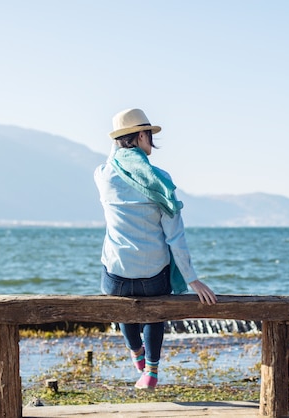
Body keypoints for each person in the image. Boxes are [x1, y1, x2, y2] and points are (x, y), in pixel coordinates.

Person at [94, 108, 217, 391]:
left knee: (125, 305)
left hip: (116, 278)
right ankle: (151, 371)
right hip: (153, 276)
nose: (152, 141)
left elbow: (111, 160)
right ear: (140, 135)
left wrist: (119, 145)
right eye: (148, 135)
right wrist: (192, 278)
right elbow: (175, 237)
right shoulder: (160, 180)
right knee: (154, 312)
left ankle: (136, 354)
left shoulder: (103, 176)